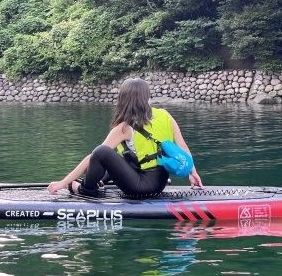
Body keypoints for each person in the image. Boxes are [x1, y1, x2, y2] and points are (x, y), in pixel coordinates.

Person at [48, 78, 203, 197]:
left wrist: (63, 183)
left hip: (140, 188)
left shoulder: (125, 127)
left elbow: (92, 157)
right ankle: (101, 181)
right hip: (160, 182)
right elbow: (183, 147)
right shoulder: (165, 115)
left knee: (101, 152)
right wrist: (193, 172)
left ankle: (85, 189)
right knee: (122, 154)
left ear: (123, 99)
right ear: (146, 96)